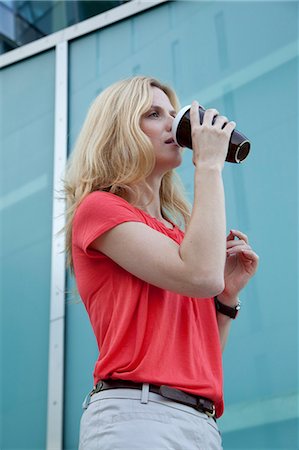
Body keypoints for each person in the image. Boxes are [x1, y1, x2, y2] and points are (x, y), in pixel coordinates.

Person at [64, 76, 259, 450]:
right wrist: (209, 166)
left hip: (198, 421)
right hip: (139, 416)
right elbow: (200, 275)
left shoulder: (180, 240)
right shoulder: (100, 209)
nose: (175, 122)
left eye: (173, 112)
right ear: (120, 133)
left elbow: (199, 359)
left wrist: (226, 298)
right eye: (154, 114)